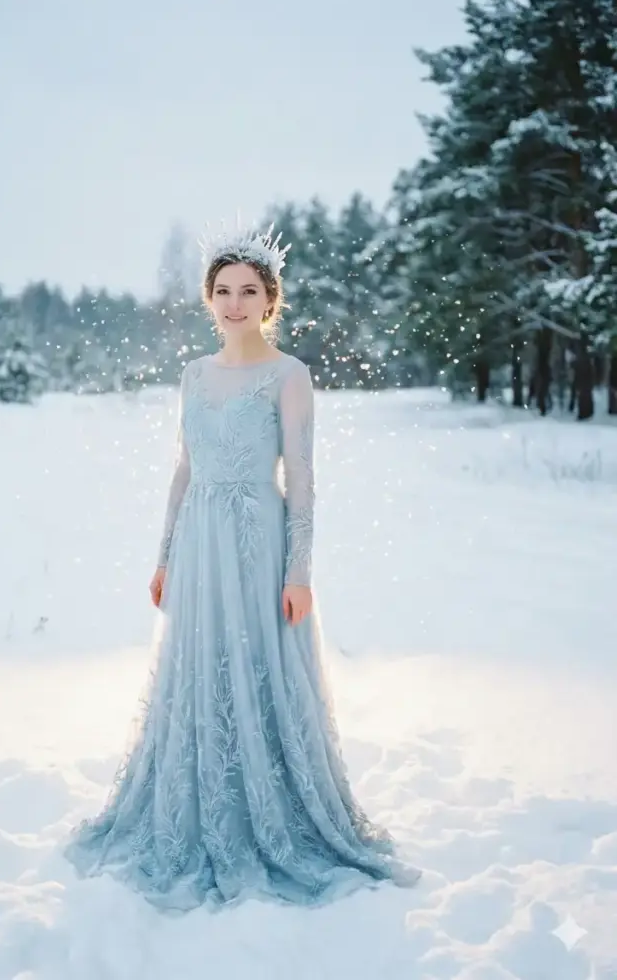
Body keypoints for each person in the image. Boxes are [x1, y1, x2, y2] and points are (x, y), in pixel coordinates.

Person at [63, 225, 418, 910]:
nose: (233, 304)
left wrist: (299, 572)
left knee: (259, 671)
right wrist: (164, 555)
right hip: (199, 538)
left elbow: (304, 479)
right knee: (198, 670)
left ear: (269, 299)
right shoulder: (194, 374)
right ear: (208, 299)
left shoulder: (289, 375)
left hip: (258, 537)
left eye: (247, 291)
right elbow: (183, 470)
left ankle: (273, 814)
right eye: (222, 292)